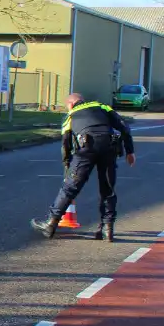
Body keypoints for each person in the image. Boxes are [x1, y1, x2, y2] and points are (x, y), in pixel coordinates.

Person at [31, 92, 135, 241]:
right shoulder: (102, 107)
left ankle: (51, 224)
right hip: (108, 146)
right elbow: (124, 126)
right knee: (107, 189)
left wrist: (67, 164)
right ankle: (108, 229)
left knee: (70, 188)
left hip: (85, 149)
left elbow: (66, 142)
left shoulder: (71, 115)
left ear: (71, 104)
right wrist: (130, 151)